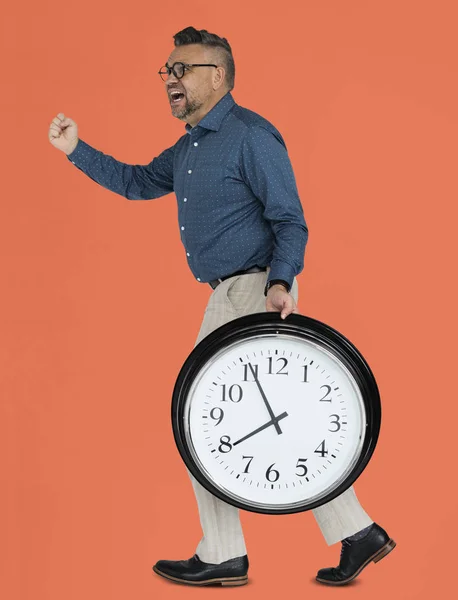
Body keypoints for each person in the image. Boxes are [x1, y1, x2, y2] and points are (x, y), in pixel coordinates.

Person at [48, 26, 395, 587]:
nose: (171, 81)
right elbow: (136, 183)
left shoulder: (250, 136)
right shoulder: (191, 145)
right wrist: (75, 150)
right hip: (233, 291)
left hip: (254, 291)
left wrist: (280, 284)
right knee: (264, 422)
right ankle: (357, 532)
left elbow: (290, 218)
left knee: (201, 422)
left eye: (182, 70)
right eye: (167, 71)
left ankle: (223, 554)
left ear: (218, 75)